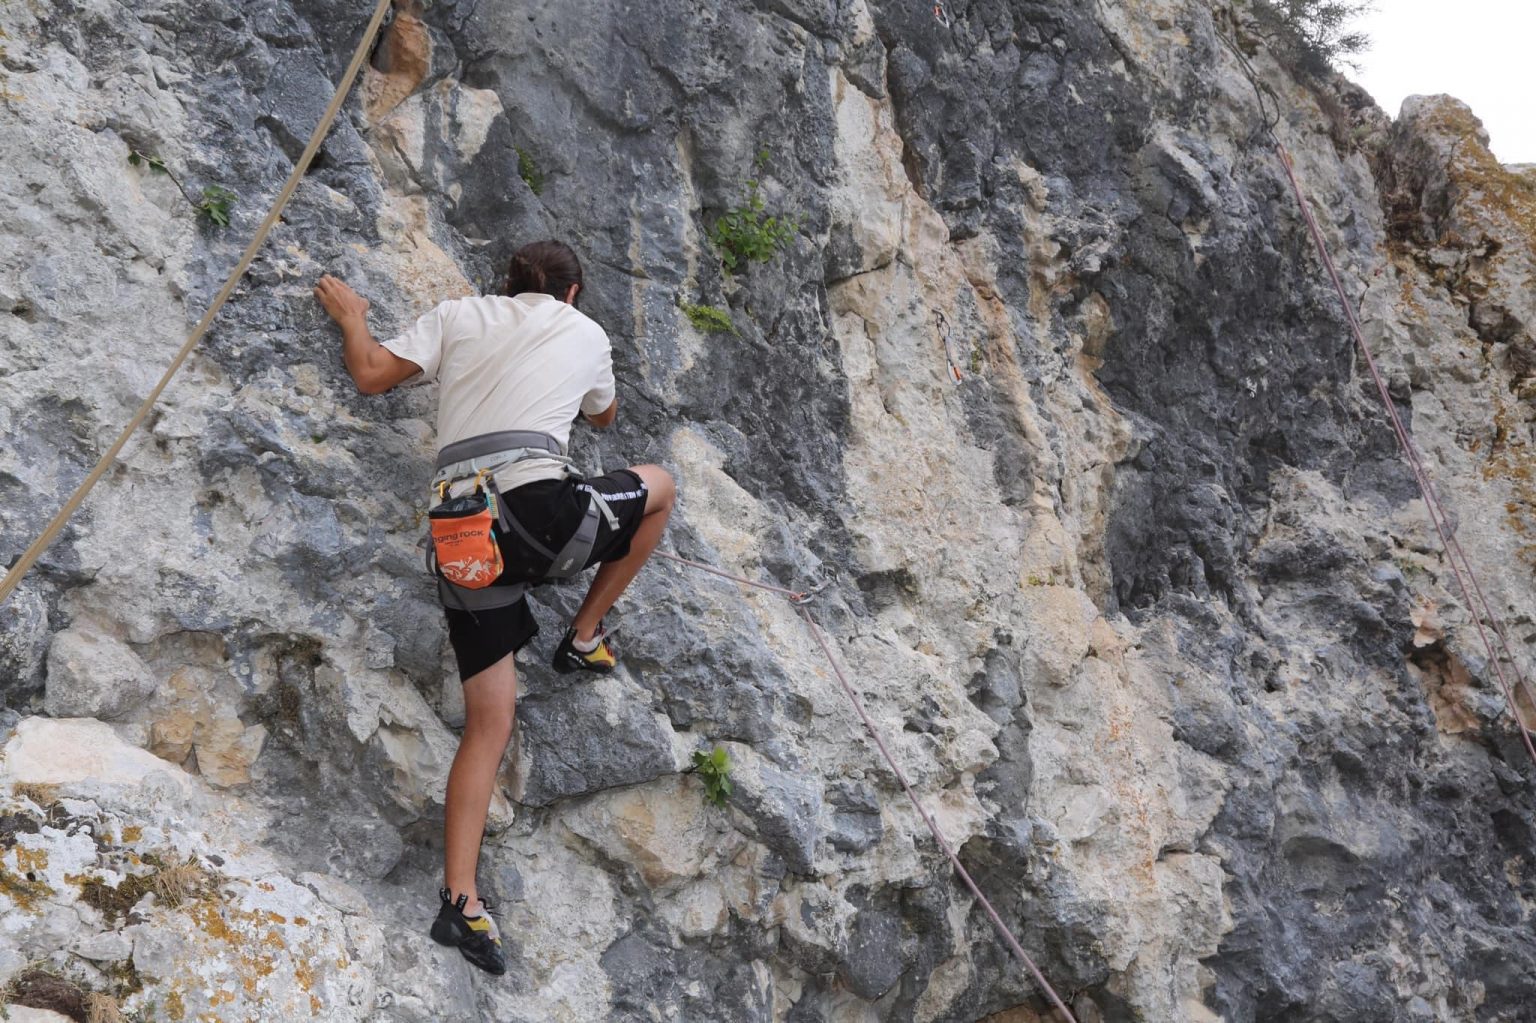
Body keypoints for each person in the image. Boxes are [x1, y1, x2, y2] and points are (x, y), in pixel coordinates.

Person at [313, 240, 675, 976]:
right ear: (572, 294)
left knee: (490, 721)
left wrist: (354, 317)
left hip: (464, 535)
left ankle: (462, 901)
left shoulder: (458, 314)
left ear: (505, 285)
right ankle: (582, 634)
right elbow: (604, 419)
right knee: (660, 484)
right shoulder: (585, 332)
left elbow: (372, 373)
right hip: (544, 515)